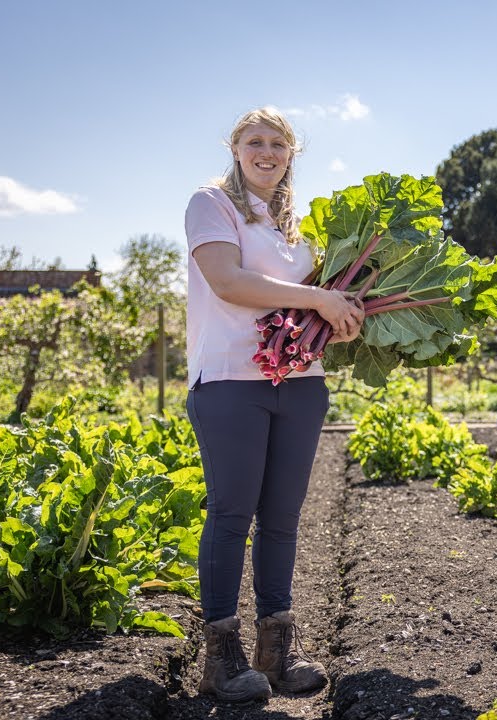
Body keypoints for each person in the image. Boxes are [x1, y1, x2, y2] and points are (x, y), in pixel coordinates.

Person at [184, 106, 363, 702]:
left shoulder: (303, 226)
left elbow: (319, 307)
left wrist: (341, 319)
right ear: (235, 150)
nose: (267, 152)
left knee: (283, 519)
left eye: (279, 144)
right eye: (255, 142)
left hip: (302, 383)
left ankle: (276, 654)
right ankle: (221, 661)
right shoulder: (212, 204)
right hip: (230, 380)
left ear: (292, 154)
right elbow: (229, 283)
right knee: (232, 514)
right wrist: (317, 294)